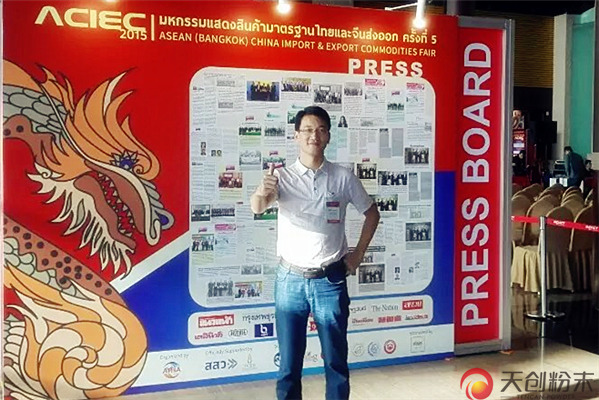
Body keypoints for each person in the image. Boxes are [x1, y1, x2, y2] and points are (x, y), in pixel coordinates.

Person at [250, 106, 380, 400]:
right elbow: (258, 207)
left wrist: (358, 255)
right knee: (288, 365)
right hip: (289, 280)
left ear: (328, 136)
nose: (314, 136)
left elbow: (372, 213)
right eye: (308, 130)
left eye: (321, 130)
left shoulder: (343, 177)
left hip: (330, 280)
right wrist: (260, 192)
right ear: (296, 135)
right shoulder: (281, 177)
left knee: (335, 362)